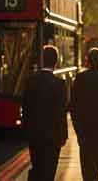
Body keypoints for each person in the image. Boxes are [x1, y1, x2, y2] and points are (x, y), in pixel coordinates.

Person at [22, 45, 68, 181]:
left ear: (42, 60)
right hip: (52, 136)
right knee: (49, 171)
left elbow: (25, 107)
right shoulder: (60, 84)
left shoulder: (30, 80)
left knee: (37, 166)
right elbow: (61, 112)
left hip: (34, 134)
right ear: (56, 61)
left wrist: (27, 129)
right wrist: (63, 135)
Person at [70, 48, 98, 181]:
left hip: (83, 124)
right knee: (97, 156)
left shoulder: (80, 78)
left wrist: (76, 126)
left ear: (87, 60)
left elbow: (73, 104)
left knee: (85, 155)